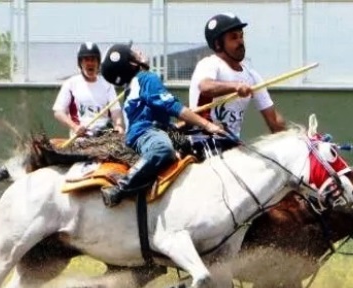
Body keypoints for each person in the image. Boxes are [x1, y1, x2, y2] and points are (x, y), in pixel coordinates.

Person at [99, 43, 227, 207]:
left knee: (203, 145)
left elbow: (161, 117)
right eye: (134, 53)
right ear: (132, 63)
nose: (139, 52)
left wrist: (190, 126)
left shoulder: (135, 84)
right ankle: (120, 189)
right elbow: (173, 107)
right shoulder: (146, 78)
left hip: (162, 130)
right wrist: (208, 125)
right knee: (162, 149)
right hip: (146, 134)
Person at [189, 13, 286, 137]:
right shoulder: (209, 64)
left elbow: (274, 121)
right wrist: (235, 86)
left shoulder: (252, 76)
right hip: (202, 143)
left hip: (232, 146)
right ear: (218, 44)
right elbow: (205, 87)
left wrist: (293, 139)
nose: (240, 41)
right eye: (234, 37)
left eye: (241, 36)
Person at [53, 42, 125, 138]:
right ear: (80, 63)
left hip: (105, 139)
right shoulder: (70, 84)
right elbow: (58, 112)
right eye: (86, 60)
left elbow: (115, 111)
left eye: (93, 60)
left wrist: (118, 125)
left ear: (98, 62)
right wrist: (74, 127)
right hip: (80, 140)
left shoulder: (107, 85)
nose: (90, 63)